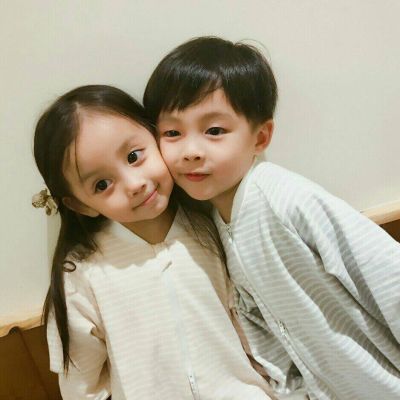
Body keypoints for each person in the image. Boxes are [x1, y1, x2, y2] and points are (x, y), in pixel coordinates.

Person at [143, 36, 400, 400]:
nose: (190, 151)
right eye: (172, 133)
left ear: (260, 137)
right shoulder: (219, 226)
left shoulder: (286, 199)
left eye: (214, 131)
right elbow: (266, 337)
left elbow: (389, 276)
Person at [32, 85, 277, 399]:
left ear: (157, 136)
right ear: (81, 204)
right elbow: (82, 388)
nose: (134, 184)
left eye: (134, 156)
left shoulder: (212, 228)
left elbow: (255, 333)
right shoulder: (81, 275)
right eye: (102, 184)